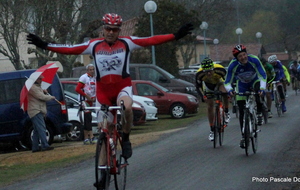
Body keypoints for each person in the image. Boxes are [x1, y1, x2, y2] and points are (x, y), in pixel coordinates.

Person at [27, 13, 193, 159]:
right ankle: (103, 172)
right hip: (103, 92)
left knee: (127, 108)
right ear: (103, 29)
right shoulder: (94, 45)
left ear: (119, 30)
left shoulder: (128, 42)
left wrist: (175, 35)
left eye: (115, 29)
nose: (111, 32)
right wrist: (45, 45)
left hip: (122, 87)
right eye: (108, 29)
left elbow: (151, 40)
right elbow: (70, 49)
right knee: (105, 132)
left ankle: (126, 139)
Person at [224, 44, 266, 149]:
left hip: (254, 80)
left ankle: (259, 113)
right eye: (240, 56)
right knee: (242, 110)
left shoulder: (254, 59)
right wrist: (230, 91)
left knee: (258, 93)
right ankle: (244, 136)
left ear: (246, 53)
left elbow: (262, 75)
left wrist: (262, 88)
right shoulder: (233, 65)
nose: (243, 57)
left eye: (244, 54)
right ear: (236, 58)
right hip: (242, 84)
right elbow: (227, 82)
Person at [195, 58, 230, 141]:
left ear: (213, 68)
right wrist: (203, 96)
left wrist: (229, 92)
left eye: (210, 70)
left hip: (219, 82)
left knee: (224, 92)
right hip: (208, 86)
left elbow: (228, 81)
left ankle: (226, 111)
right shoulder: (199, 74)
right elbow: (198, 87)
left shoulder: (220, 69)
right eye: (206, 71)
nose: (209, 73)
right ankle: (212, 130)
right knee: (210, 106)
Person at [27, 75, 56, 153]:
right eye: (39, 79)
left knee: (36, 129)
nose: (41, 80)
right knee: (42, 128)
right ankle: (44, 145)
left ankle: (35, 147)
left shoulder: (37, 87)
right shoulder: (32, 88)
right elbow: (41, 97)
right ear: (35, 79)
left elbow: (41, 95)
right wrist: (51, 97)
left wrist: (45, 92)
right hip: (36, 110)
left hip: (38, 110)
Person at [75, 64, 97, 145]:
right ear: (87, 70)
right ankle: (91, 136)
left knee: (88, 118)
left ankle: (86, 138)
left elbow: (94, 89)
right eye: (90, 69)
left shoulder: (94, 78)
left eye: (93, 69)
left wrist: (94, 97)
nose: (92, 71)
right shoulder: (83, 77)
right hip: (84, 100)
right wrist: (86, 96)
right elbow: (77, 89)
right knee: (88, 117)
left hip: (91, 100)